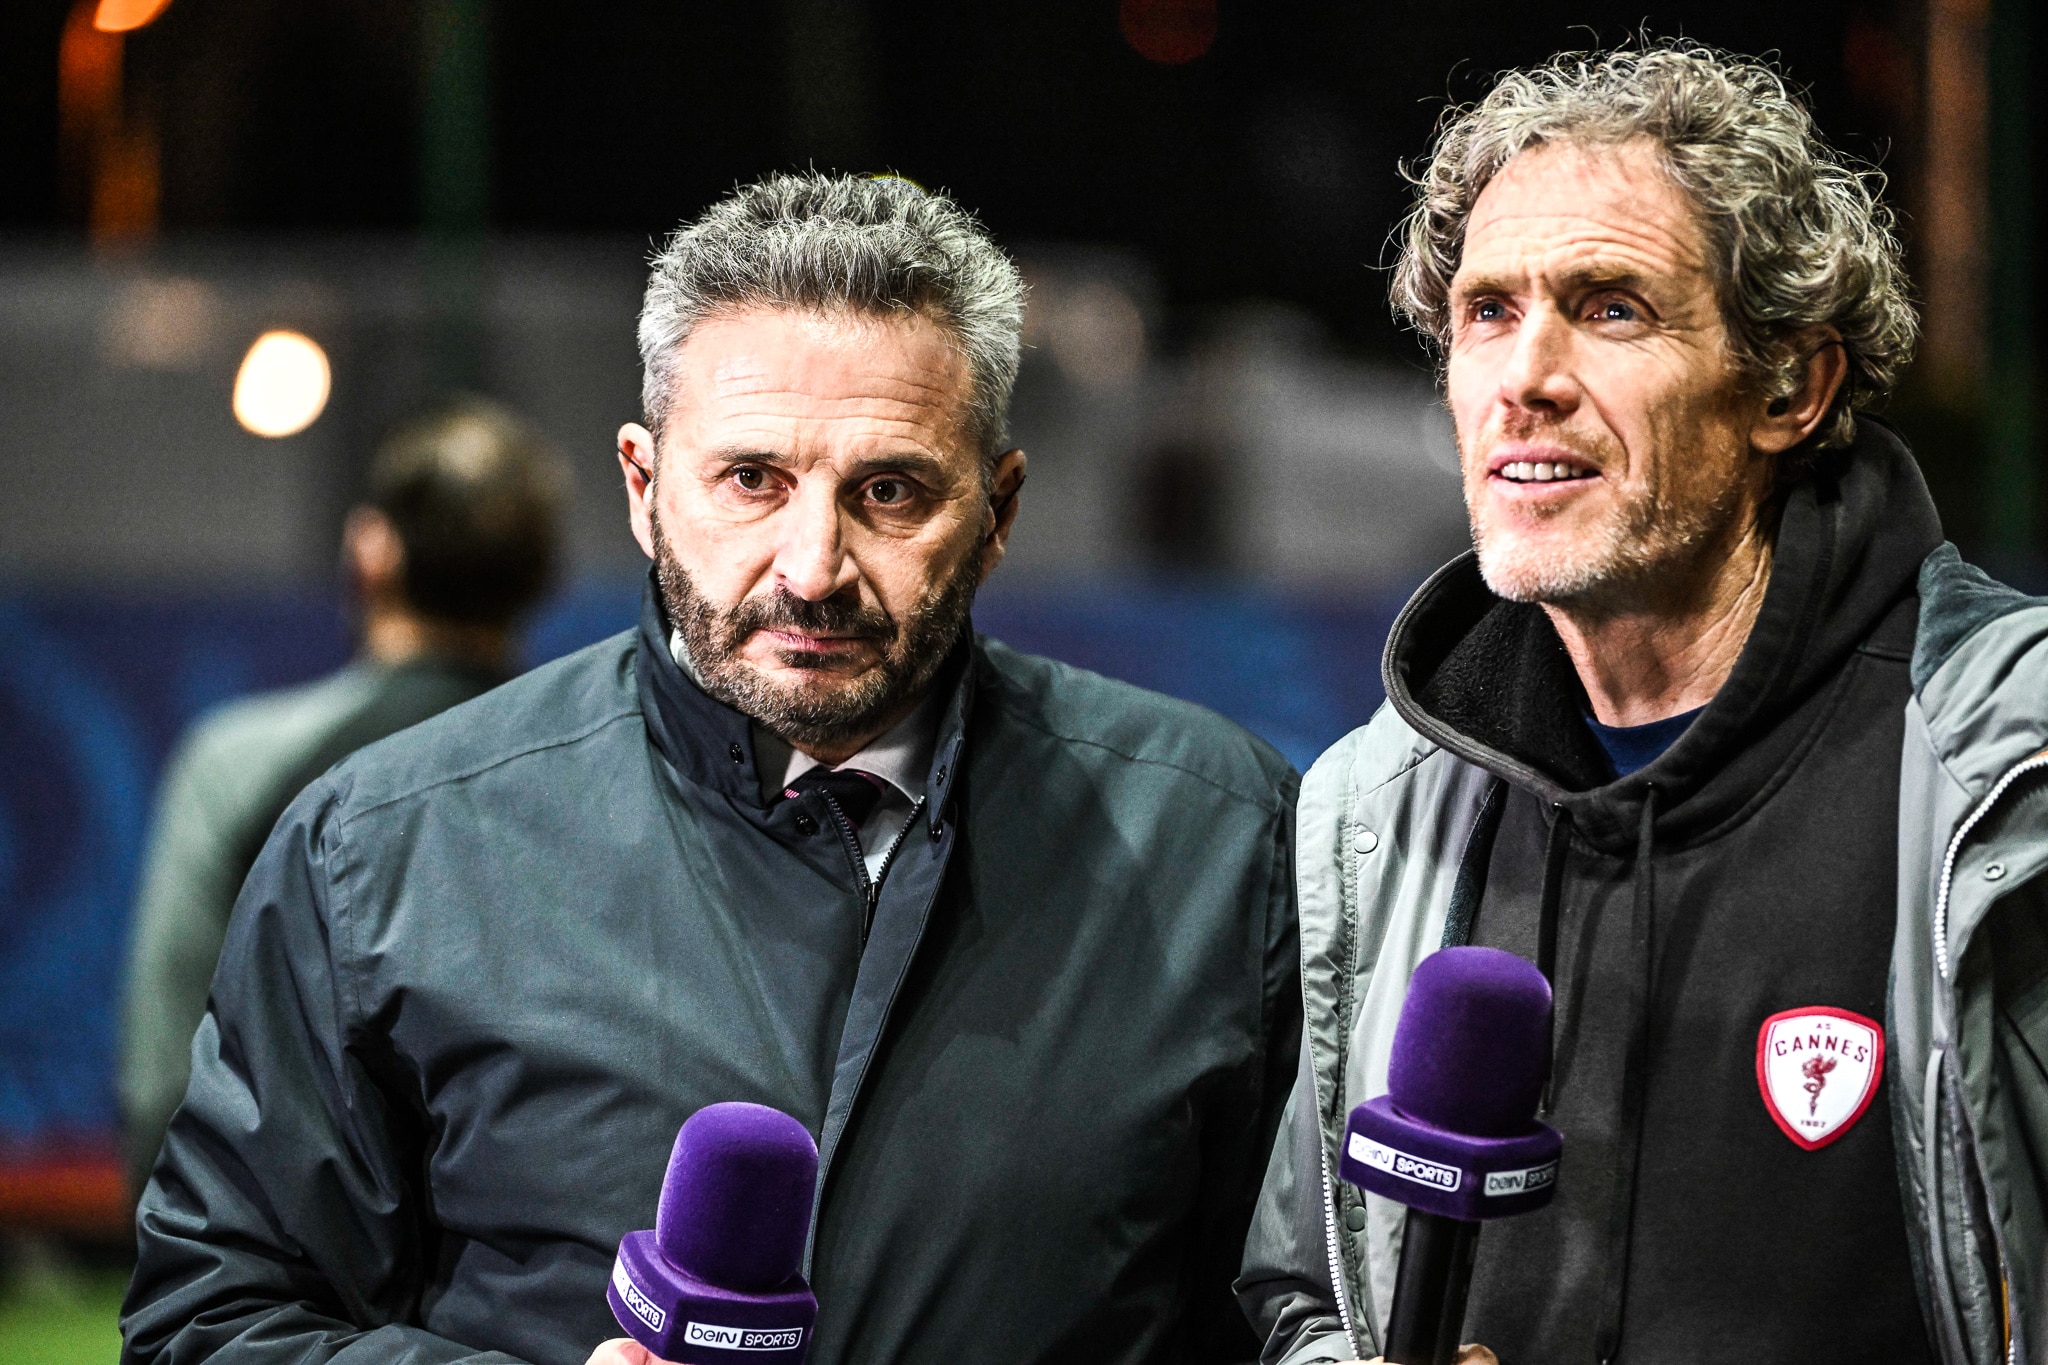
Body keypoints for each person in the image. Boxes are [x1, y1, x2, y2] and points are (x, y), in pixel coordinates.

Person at [121, 173, 1302, 1365]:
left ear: (996, 512)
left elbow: (1296, 1315)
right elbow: (207, 1324)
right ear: (642, 488)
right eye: (752, 481)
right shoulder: (381, 848)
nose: (811, 564)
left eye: (887, 492)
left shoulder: (1218, 838)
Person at [1237, 42, 2048, 1365]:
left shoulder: (2011, 771)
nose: (1527, 376)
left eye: (1609, 308)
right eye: (1487, 313)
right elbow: (1302, 1292)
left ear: (1789, 386)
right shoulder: (1378, 806)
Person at [117, 396, 563, 1199]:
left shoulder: (239, 764)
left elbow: (166, 1072)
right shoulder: (606, 772)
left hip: (298, 1261)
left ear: (372, 550)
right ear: (538, 573)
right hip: (524, 1262)